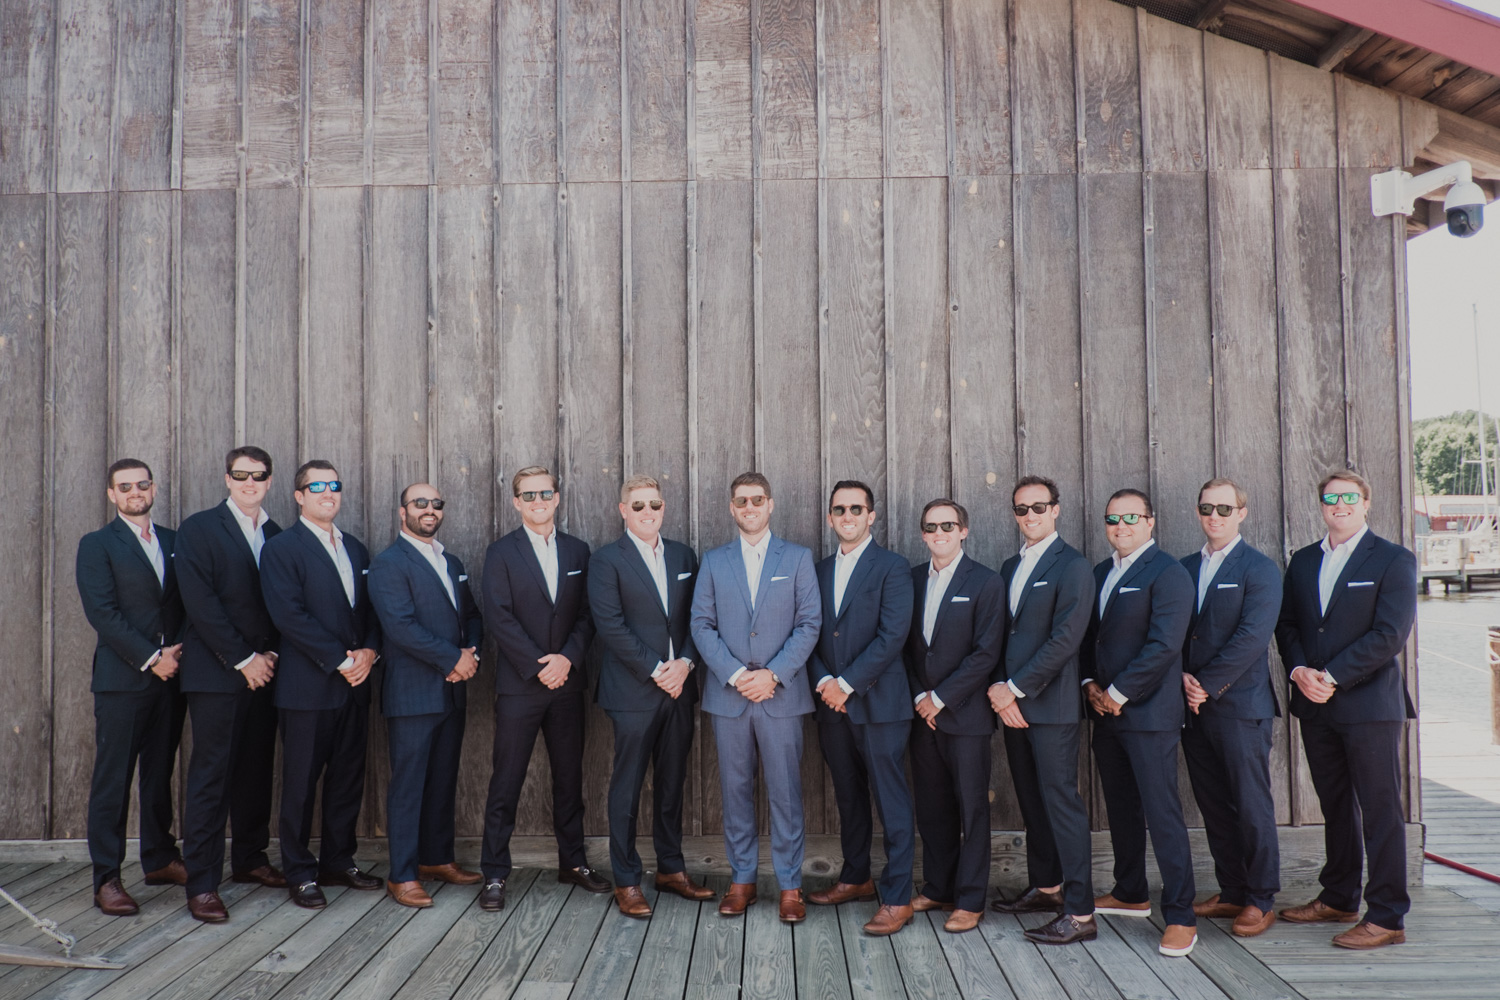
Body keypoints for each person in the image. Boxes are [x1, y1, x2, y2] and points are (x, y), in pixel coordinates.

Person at [1276, 470, 1416, 950]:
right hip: (1314, 704)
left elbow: (1389, 635)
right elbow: (1289, 624)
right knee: (1334, 805)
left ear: (1366, 502)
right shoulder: (1303, 561)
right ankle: (1338, 896)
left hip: (1369, 703)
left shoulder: (1394, 559)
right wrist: (1298, 672)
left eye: (1349, 497)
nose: (1340, 504)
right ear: (1321, 505)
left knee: (1380, 811)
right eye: (1331, 497)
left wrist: (1330, 676)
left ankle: (1388, 916)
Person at [691, 472, 821, 923]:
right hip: (729, 698)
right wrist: (732, 674)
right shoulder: (714, 560)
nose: (750, 507)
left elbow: (809, 624)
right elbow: (701, 625)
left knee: (786, 793)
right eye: (741, 501)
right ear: (732, 508)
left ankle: (790, 885)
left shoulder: (799, 558)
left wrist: (774, 675)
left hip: (781, 696)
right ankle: (742, 878)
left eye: (757, 500)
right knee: (735, 789)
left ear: (771, 504)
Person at [589, 475, 715, 918]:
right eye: (638, 506)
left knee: (672, 782)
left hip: (680, 688)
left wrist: (685, 663)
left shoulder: (683, 554)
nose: (647, 513)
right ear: (623, 510)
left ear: (664, 508)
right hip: (633, 690)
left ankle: (670, 868)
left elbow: (700, 617)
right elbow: (610, 626)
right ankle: (626, 879)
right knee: (627, 787)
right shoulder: (607, 560)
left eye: (654, 505)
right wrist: (657, 669)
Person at [479, 466, 605, 911]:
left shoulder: (578, 550)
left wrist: (567, 659)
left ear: (556, 497)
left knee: (569, 779)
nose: (537, 501)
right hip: (521, 685)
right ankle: (494, 872)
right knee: (506, 780)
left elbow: (589, 614)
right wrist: (539, 666)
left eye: (544, 493)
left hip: (567, 684)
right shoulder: (501, 553)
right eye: (528, 495)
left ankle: (573, 863)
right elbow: (499, 616)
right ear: (516, 502)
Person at [260, 460, 382, 908]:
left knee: (347, 777)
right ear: (298, 496)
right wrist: (338, 660)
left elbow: (370, 613)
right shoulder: (282, 548)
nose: (328, 492)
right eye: (317, 486)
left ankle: (338, 860)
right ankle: (299, 870)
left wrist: (369, 653)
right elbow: (288, 615)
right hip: (308, 686)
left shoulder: (356, 549)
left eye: (334, 485)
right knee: (300, 781)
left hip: (356, 683)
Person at [1083, 488, 1198, 957]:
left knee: (1161, 811)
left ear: (1150, 522)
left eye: (1131, 517)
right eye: (1113, 518)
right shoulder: (1100, 573)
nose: (1121, 525)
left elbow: (1164, 645)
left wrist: (1117, 691)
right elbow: (1090, 639)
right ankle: (1130, 891)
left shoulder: (1168, 573)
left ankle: (1181, 915)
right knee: (1122, 806)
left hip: (1149, 714)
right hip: (1104, 713)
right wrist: (1090, 683)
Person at [175, 446, 287, 922]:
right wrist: (243, 659)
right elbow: (200, 603)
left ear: (268, 481)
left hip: (266, 671)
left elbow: (284, 603)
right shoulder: (200, 529)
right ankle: (202, 882)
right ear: (227, 478)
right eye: (241, 475)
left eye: (258, 476)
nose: (249, 482)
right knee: (211, 775)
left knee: (256, 769)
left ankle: (250, 858)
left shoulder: (277, 534)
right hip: (218, 672)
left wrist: (271, 656)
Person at [75, 459, 189, 915]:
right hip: (124, 680)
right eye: (125, 487)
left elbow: (183, 604)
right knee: (113, 779)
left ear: (153, 488)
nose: (135, 492)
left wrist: (175, 654)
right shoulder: (98, 544)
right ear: (112, 494)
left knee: (160, 771)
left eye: (142, 484)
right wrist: (151, 658)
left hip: (171, 678)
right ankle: (107, 877)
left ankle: (159, 858)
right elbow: (102, 613)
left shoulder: (175, 542)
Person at [988, 477, 1099, 945]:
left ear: (1056, 509)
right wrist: (999, 690)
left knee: (1062, 805)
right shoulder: (1011, 565)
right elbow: (1000, 633)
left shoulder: (1073, 566)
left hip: (1050, 707)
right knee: (1032, 801)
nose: (1029, 515)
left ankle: (1080, 913)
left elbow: (1065, 641)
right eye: (1021, 509)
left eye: (1039, 507)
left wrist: (1014, 689)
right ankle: (1048, 887)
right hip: (1012, 707)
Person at [806, 481, 916, 936]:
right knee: (848, 797)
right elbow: (807, 630)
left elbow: (893, 636)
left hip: (880, 704)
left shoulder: (893, 568)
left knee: (890, 801)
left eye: (857, 508)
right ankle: (855, 878)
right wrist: (823, 681)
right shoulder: (818, 569)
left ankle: (897, 897)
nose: (847, 515)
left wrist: (847, 683)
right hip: (831, 705)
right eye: (839, 509)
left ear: (872, 516)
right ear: (830, 517)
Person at [368, 483, 484, 908]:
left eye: (437, 503)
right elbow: (400, 627)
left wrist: (471, 652)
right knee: (409, 784)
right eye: (420, 503)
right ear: (403, 512)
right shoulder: (389, 564)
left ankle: (437, 859)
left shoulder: (450, 561)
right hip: (414, 692)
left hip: (452, 691)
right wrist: (453, 659)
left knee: (442, 780)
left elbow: (470, 615)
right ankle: (402, 874)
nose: (430, 510)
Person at [1180, 477, 1283, 938]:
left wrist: (1204, 683)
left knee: (1250, 802)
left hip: (1239, 706)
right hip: (1191, 706)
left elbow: (1251, 638)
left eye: (1224, 509)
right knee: (1213, 803)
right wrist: (1182, 681)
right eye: (1207, 509)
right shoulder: (1183, 568)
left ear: (1241, 512)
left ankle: (1261, 899)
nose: (1215, 517)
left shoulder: (1259, 569)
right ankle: (1233, 890)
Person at [903, 499, 1004, 933]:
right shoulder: (909, 580)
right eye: (931, 526)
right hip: (921, 716)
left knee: (971, 809)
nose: (939, 532)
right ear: (923, 534)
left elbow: (985, 654)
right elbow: (902, 648)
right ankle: (939, 886)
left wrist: (940, 698)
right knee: (932, 807)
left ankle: (970, 899)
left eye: (948, 525)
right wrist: (918, 699)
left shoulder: (985, 582)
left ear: (964, 530)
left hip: (965, 716)